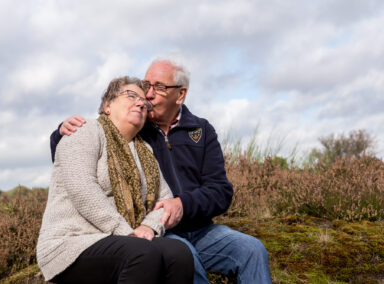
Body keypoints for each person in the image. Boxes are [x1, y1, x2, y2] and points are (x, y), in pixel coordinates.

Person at [50, 59, 272, 283]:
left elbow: (221, 191)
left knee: (252, 249)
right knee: (184, 257)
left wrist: (183, 204)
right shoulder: (136, 126)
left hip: (203, 230)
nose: (148, 95)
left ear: (181, 94)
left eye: (159, 87)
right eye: (146, 86)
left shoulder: (201, 130)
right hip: (161, 230)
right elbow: (96, 140)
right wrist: (60, 133)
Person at [38, 76, 194, 284]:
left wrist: (149, 228)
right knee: (143, 254)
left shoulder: (144, 151)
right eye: (131, 96)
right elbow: (82, 189)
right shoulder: (84, 131)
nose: (140, 103)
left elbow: (164, 200)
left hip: (123, 240)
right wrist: (126, 232)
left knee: (179, 253)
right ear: (108, 105)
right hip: (72, 242)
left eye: (144, 102)